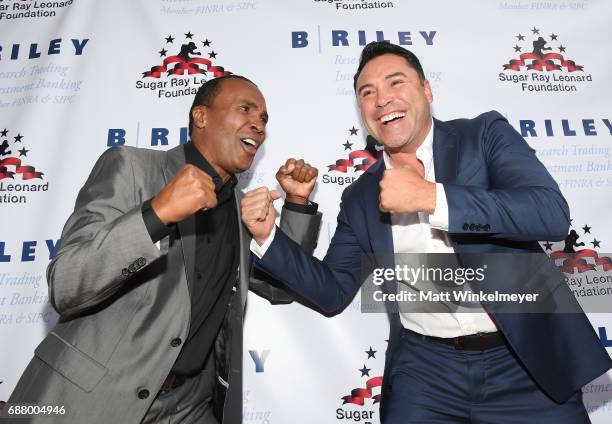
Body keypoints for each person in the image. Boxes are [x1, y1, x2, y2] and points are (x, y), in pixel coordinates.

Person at [242, 42, 612, 423]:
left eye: (395, 83)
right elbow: (333, 290)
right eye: (367, 93)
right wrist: (269, 236)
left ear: (427, 91)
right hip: (426, 374)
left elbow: (549, 213)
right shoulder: (361, 196)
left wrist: (433, 197)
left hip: (524, 362)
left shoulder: (483, 136)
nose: (382, 100)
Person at [7, 75, 321, 424]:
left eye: (263, 118)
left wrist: (297, 205)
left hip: (189, 406)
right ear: (201, 117)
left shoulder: (241, 208)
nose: (258, 125)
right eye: (245, 109)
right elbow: (66, 285)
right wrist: (156, 214)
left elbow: (282, 287)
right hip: (92, 401)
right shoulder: (132, 167)